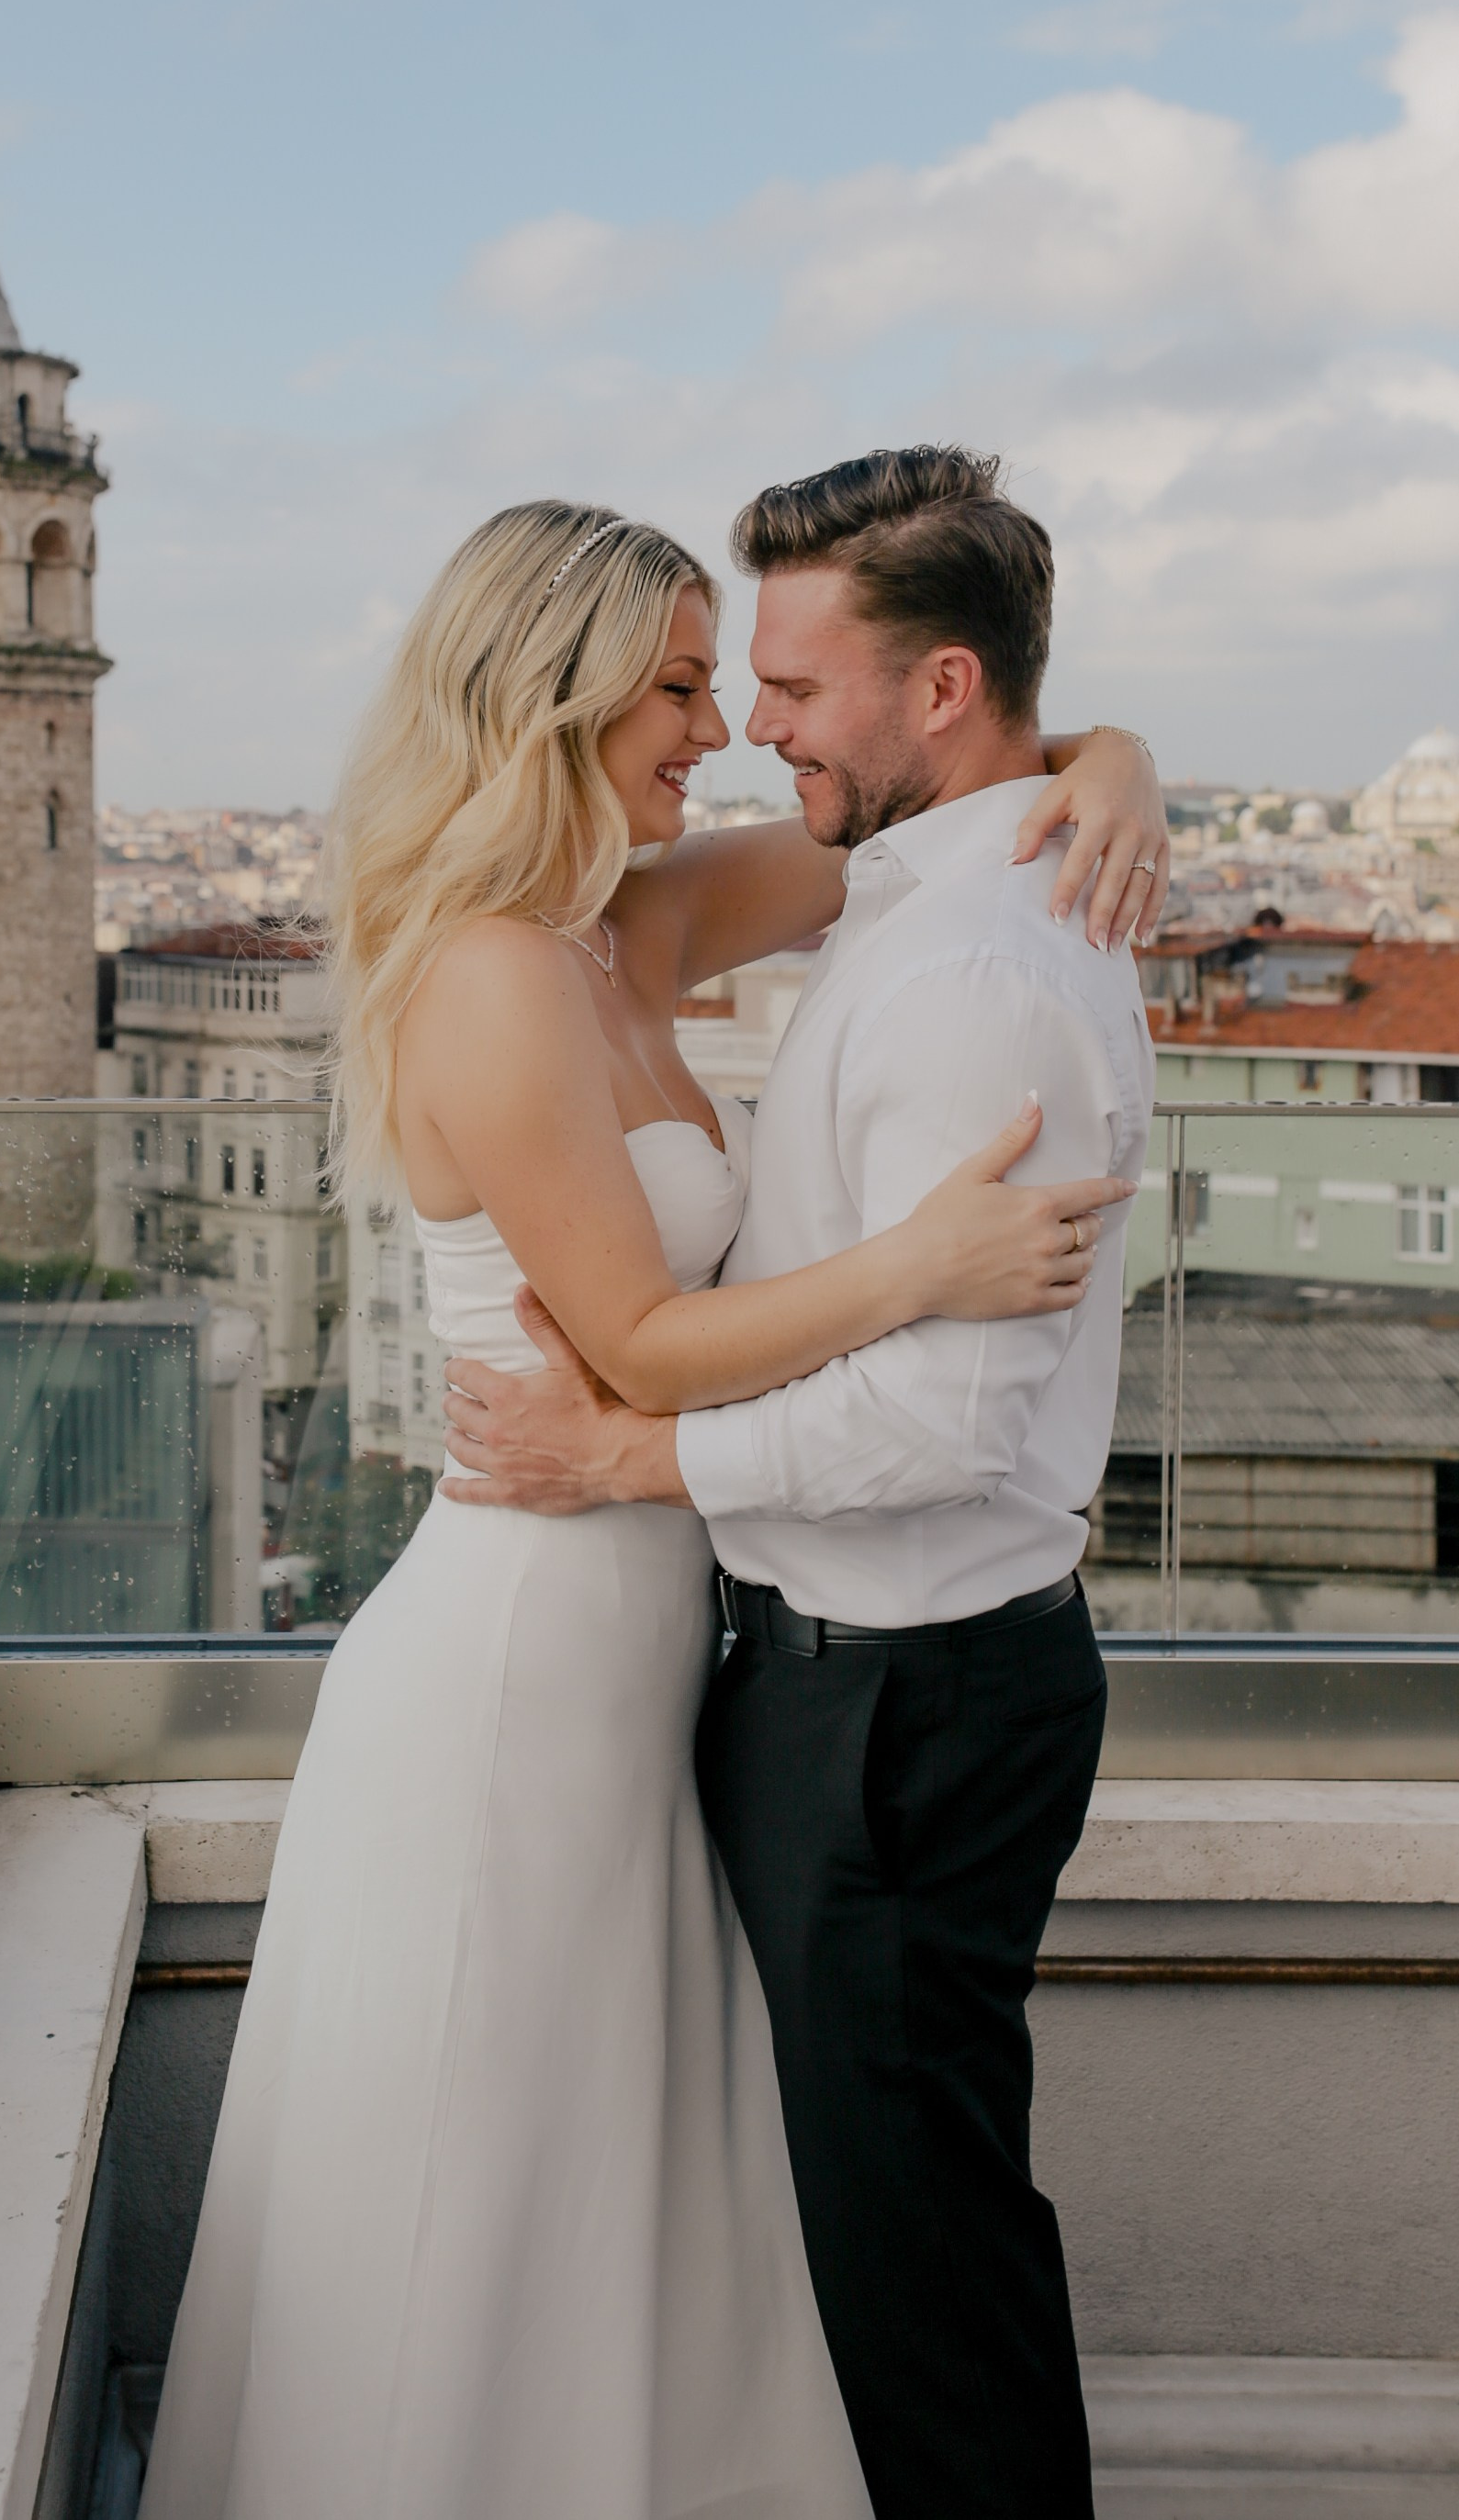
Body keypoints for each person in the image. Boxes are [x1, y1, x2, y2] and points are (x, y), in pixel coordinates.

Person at [139, 484, 1162, 2520]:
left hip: (655, 1638)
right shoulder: (498, 977)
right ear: (556, 696)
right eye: (682, 687)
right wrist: (920, 1268)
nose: (717, 727)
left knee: (622, 2150)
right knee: (490, 2154)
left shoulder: (634, 919)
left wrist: (1119, 764)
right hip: (522, 1642)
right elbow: (629, 1342)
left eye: (727, 679)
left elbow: (933, 799)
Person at [443, 449, 1155, 2520]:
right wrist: (1110, 752)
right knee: (891, 2225)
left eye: (778, 681)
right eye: (704, 685)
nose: (750, 726)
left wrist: (638, 1453)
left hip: (900, 1697)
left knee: (918, 2264)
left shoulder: (972, 966)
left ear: (938, 693)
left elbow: (947, 1420)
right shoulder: (921, 895)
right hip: (865, 1675)